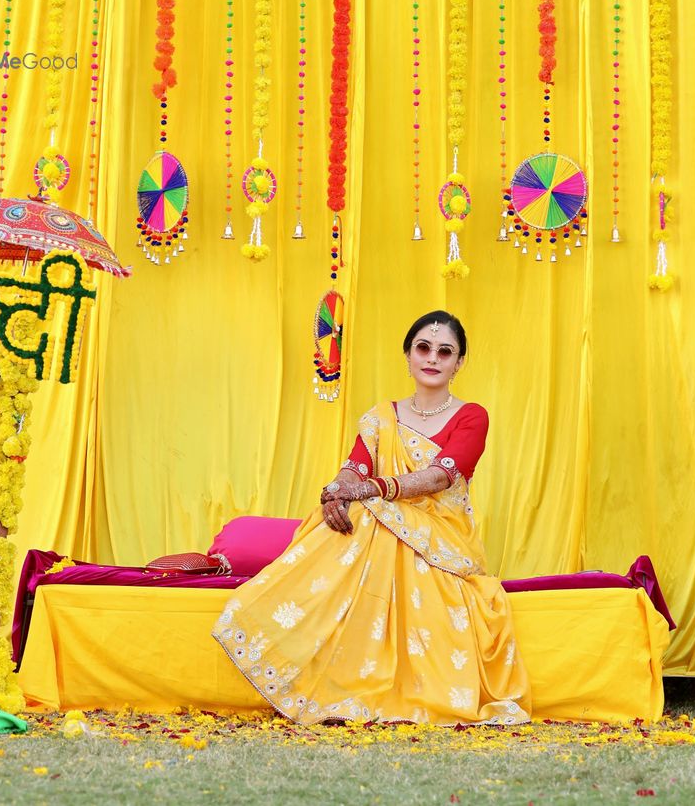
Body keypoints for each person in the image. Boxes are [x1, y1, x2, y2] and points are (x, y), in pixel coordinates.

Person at [213, 310, 532, 724]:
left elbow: (441, 475)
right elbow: (356, 468)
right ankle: (270, 634)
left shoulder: (471, 415)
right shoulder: (382, 416)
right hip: (381, 521)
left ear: (459, 363)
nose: (432, 357)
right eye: (423, 348)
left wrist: (369, 491)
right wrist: (337, 493)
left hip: (442, 535)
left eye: (445, 351)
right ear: (408, 355)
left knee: (366, 511)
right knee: (343, 514)